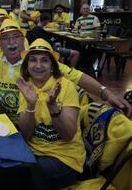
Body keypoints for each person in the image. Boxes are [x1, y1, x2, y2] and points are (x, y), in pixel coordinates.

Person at [0, 4, 132, 124]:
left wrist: (106, 93)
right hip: (4, 120)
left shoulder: (36, 62)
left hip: (30, 123)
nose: (11, 42)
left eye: (16, 36)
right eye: (6, 38)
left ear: (23, 38)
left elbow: (77, 76)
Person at [17, 39, 85, 189]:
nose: (38, 65)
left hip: (65, 159)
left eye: (44, 61)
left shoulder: (66, 87)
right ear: (27, 66)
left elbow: (68, 134)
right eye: (33, 60)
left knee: (23, 175)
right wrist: (31, 105)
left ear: (53, 66)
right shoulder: (27, 87)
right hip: (33, 153)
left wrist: (53, 107)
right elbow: (26, 134)